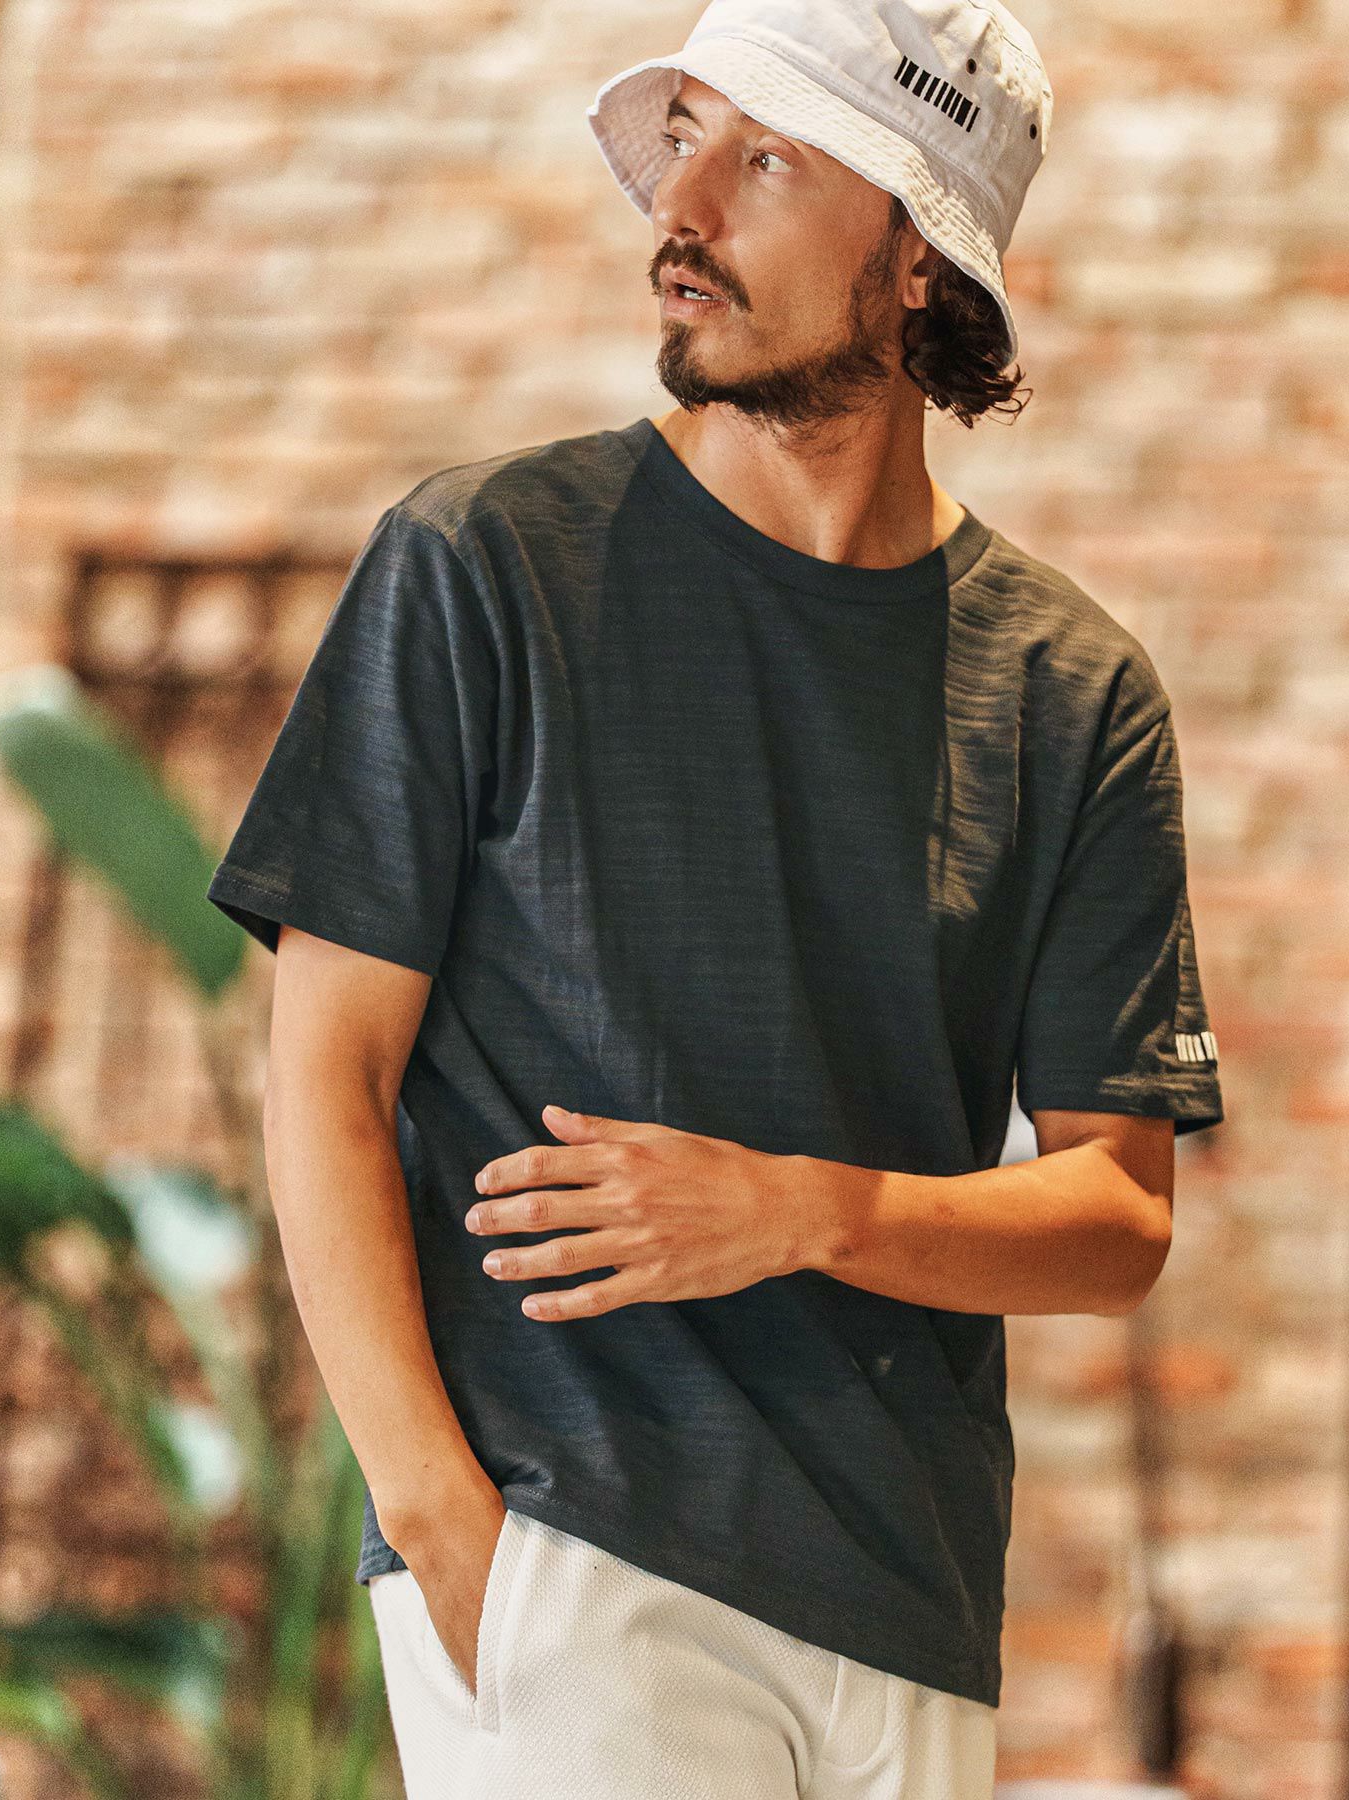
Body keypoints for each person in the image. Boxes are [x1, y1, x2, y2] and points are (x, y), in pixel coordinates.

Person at [206, 0, 1225, 1793]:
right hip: (575, 1560)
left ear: (918, 259)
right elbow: (326, 1077)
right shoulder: (483, 568)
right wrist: (444, 1527)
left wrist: (800, 1211)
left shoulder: (1071, 692)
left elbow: (1116, 1219)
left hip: (913, 1608)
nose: (682, 209)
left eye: (766, 160)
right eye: (683, 137)